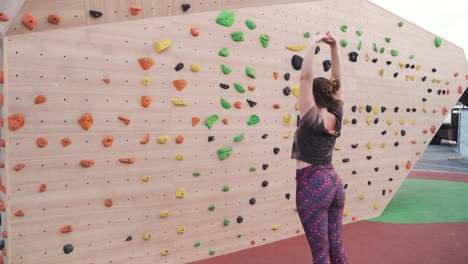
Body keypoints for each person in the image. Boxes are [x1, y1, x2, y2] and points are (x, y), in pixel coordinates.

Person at [290, 32, 348, 264]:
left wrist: (313, 43)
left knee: (321, 256)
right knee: (336, 247)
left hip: (313, 185)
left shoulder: (310, 116)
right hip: (334, 183)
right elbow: (338, 77)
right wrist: (334, 47)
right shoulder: (337, 113)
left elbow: (305, 77)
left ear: (313, 97)